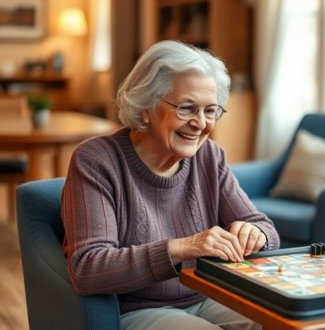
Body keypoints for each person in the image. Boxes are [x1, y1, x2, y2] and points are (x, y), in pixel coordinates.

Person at [61, 40, 280, 330]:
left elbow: (265, 229)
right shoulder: (97, 160)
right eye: (187, 108)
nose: (201, 124)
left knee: (285, 324)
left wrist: (256, 234)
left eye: (211, 110)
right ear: (145, 107)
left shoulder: (209, 157)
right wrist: (183, 248)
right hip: (138, 308)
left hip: (210, 293)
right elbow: (88, 268)